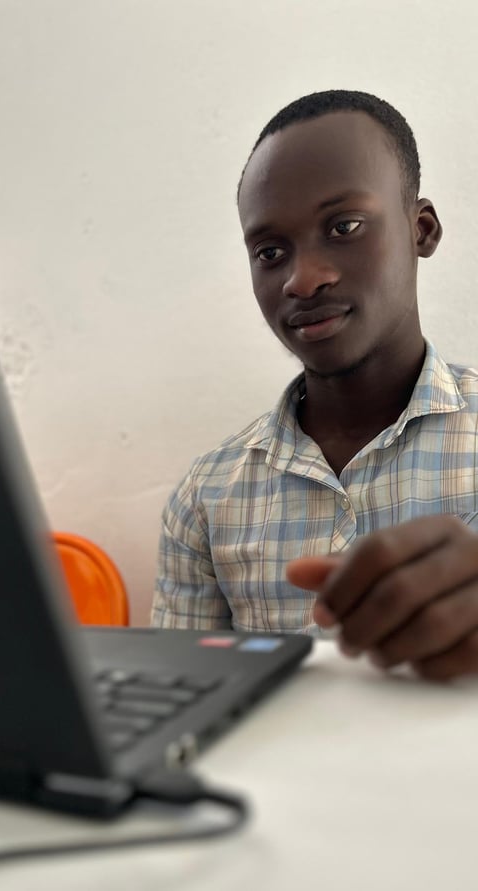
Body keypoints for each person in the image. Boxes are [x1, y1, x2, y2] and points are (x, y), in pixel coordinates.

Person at [151, 89, 478, 681]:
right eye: (270, 251)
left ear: (422, 230)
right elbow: (181, 694)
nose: (303, 279)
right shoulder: (207, 497)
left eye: (344, 226)